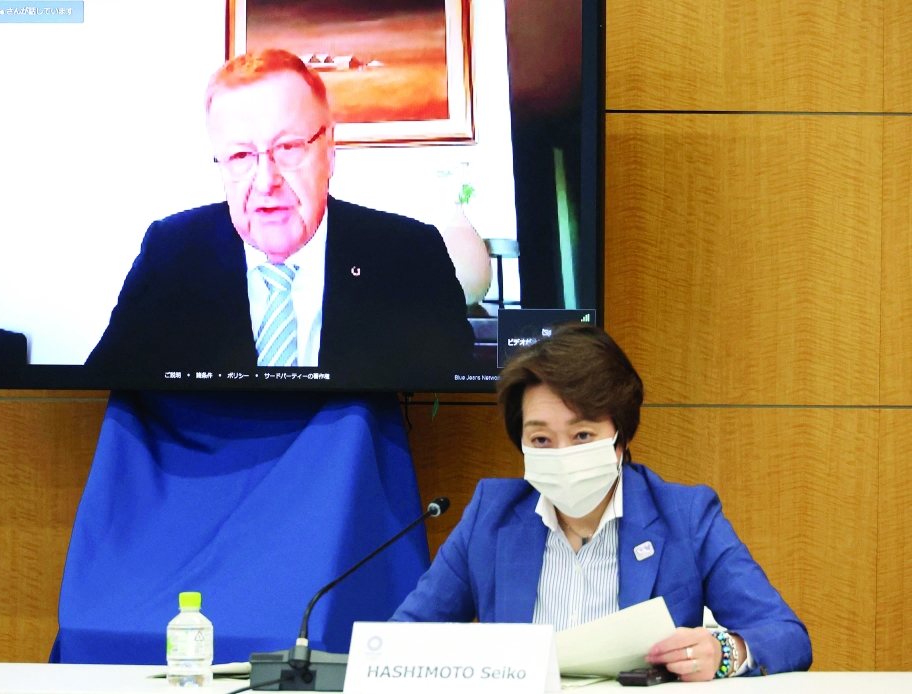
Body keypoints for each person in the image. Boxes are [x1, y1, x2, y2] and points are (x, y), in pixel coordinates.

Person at [392, 324, 812, 680]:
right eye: (541, 439)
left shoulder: (685, 516)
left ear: (619, 439)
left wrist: (725, 651)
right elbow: (403, 640)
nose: (561, 454)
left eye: (582, 436)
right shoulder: (492, 515)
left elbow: (786, 635)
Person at [86, 49, 475, 386]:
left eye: (287, 147)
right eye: (240, 156)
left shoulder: (410, 257)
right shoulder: (170, 255)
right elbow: (97, 399)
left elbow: (453, 418)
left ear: (329, 151)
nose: (266, 181)